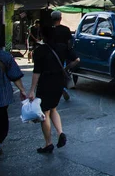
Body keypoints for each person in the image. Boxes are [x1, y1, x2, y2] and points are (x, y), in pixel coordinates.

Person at [28, 11, 80, 154]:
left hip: (45, 82)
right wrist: (65, 69)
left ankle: (48, 143)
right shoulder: (62, 48)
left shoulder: (40, 51)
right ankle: (60, 132)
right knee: (54, 109)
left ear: (43, 36)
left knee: (44, 112)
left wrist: (32, 89)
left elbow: (36, 72)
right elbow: (77, 60)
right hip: (59, 80)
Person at [0, 22, 27, 165]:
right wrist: (23, 91)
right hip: (1, 97)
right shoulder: (5, 57)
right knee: (1, 123)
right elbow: (15, 76)